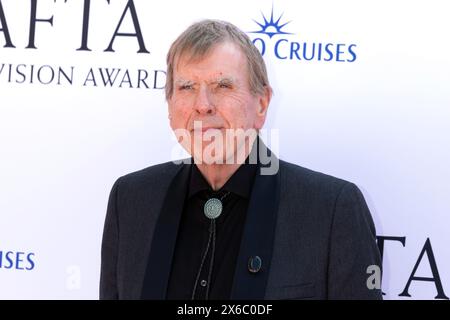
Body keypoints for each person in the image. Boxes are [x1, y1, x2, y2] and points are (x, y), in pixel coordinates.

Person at [100, 19, 382, 300]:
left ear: (261, 105)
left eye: (222, 85)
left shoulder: (332, 210)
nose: (203, 105)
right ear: (170, 105)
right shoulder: (130, 200)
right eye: (187, 86)